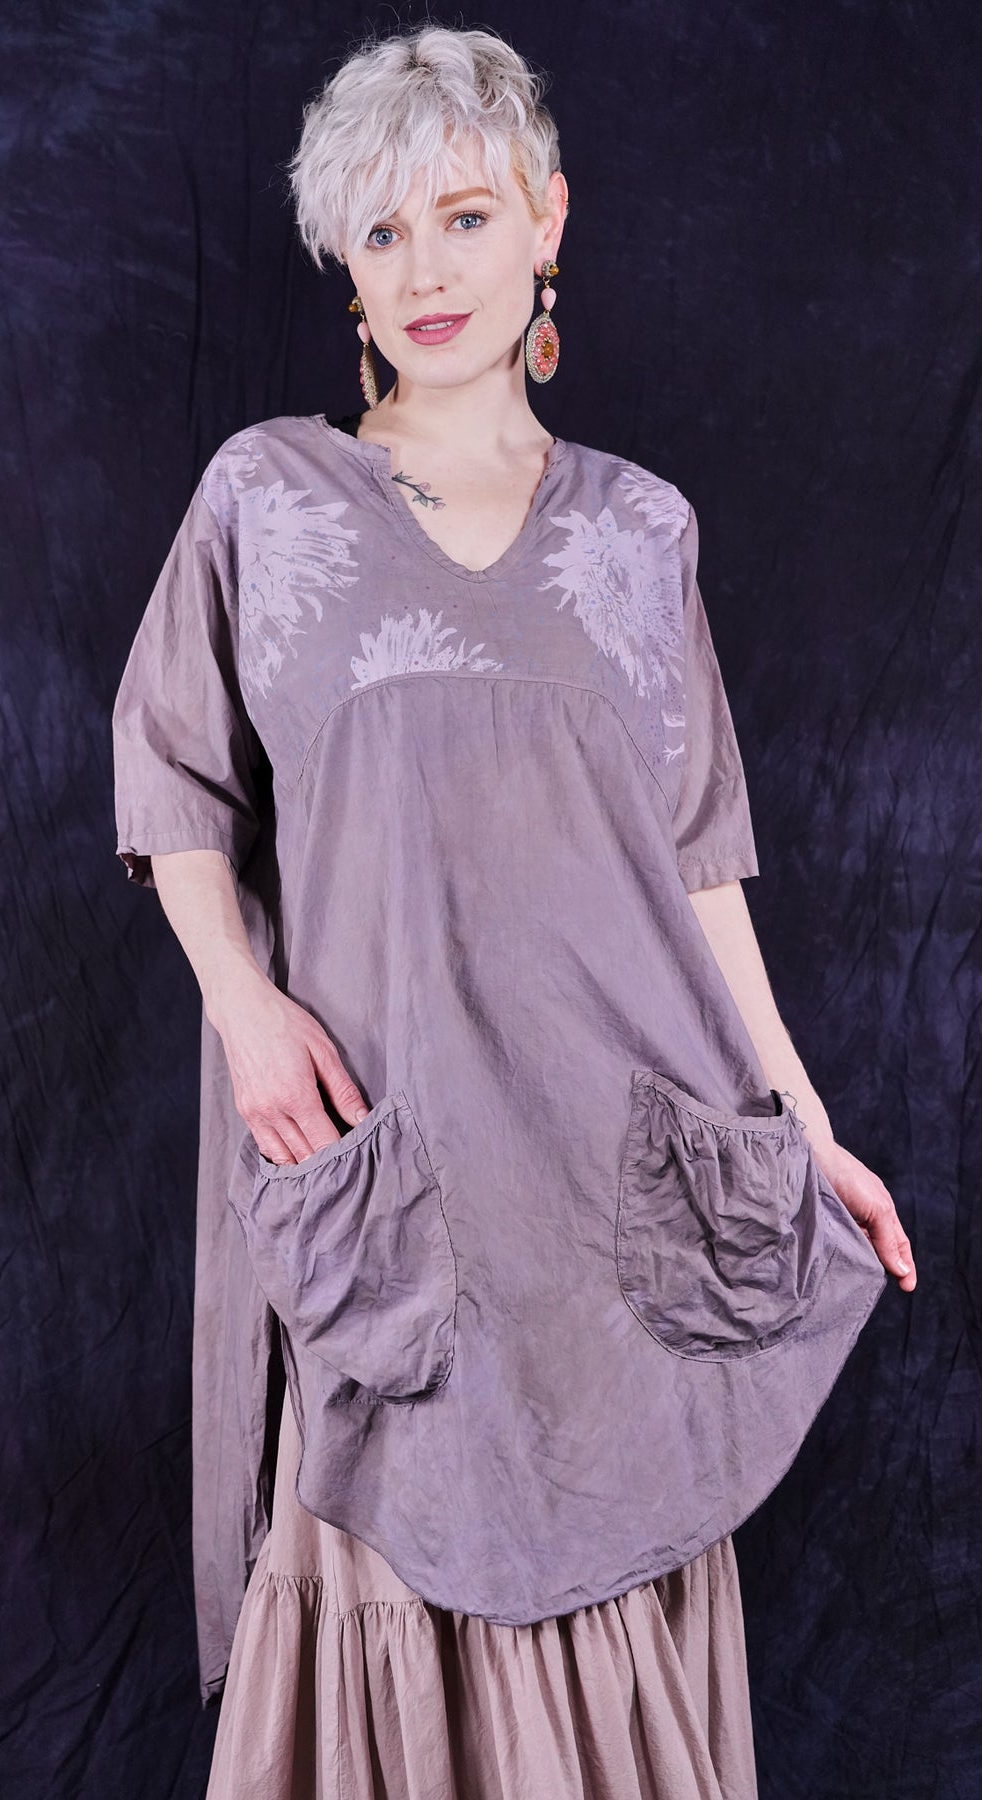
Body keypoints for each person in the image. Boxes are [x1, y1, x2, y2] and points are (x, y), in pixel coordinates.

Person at [111, 22, 916, 1798]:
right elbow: (169, 782)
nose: (427, 271)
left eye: (465, 218)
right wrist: (243, 1005)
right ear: (345, 264)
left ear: (548, 221)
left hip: (609, 1188)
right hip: (401, 1174)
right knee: (390, 1560)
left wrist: (804, 1127)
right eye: (383, 232)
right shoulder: (266, 496)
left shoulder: (643, 533)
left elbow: (699, 869)